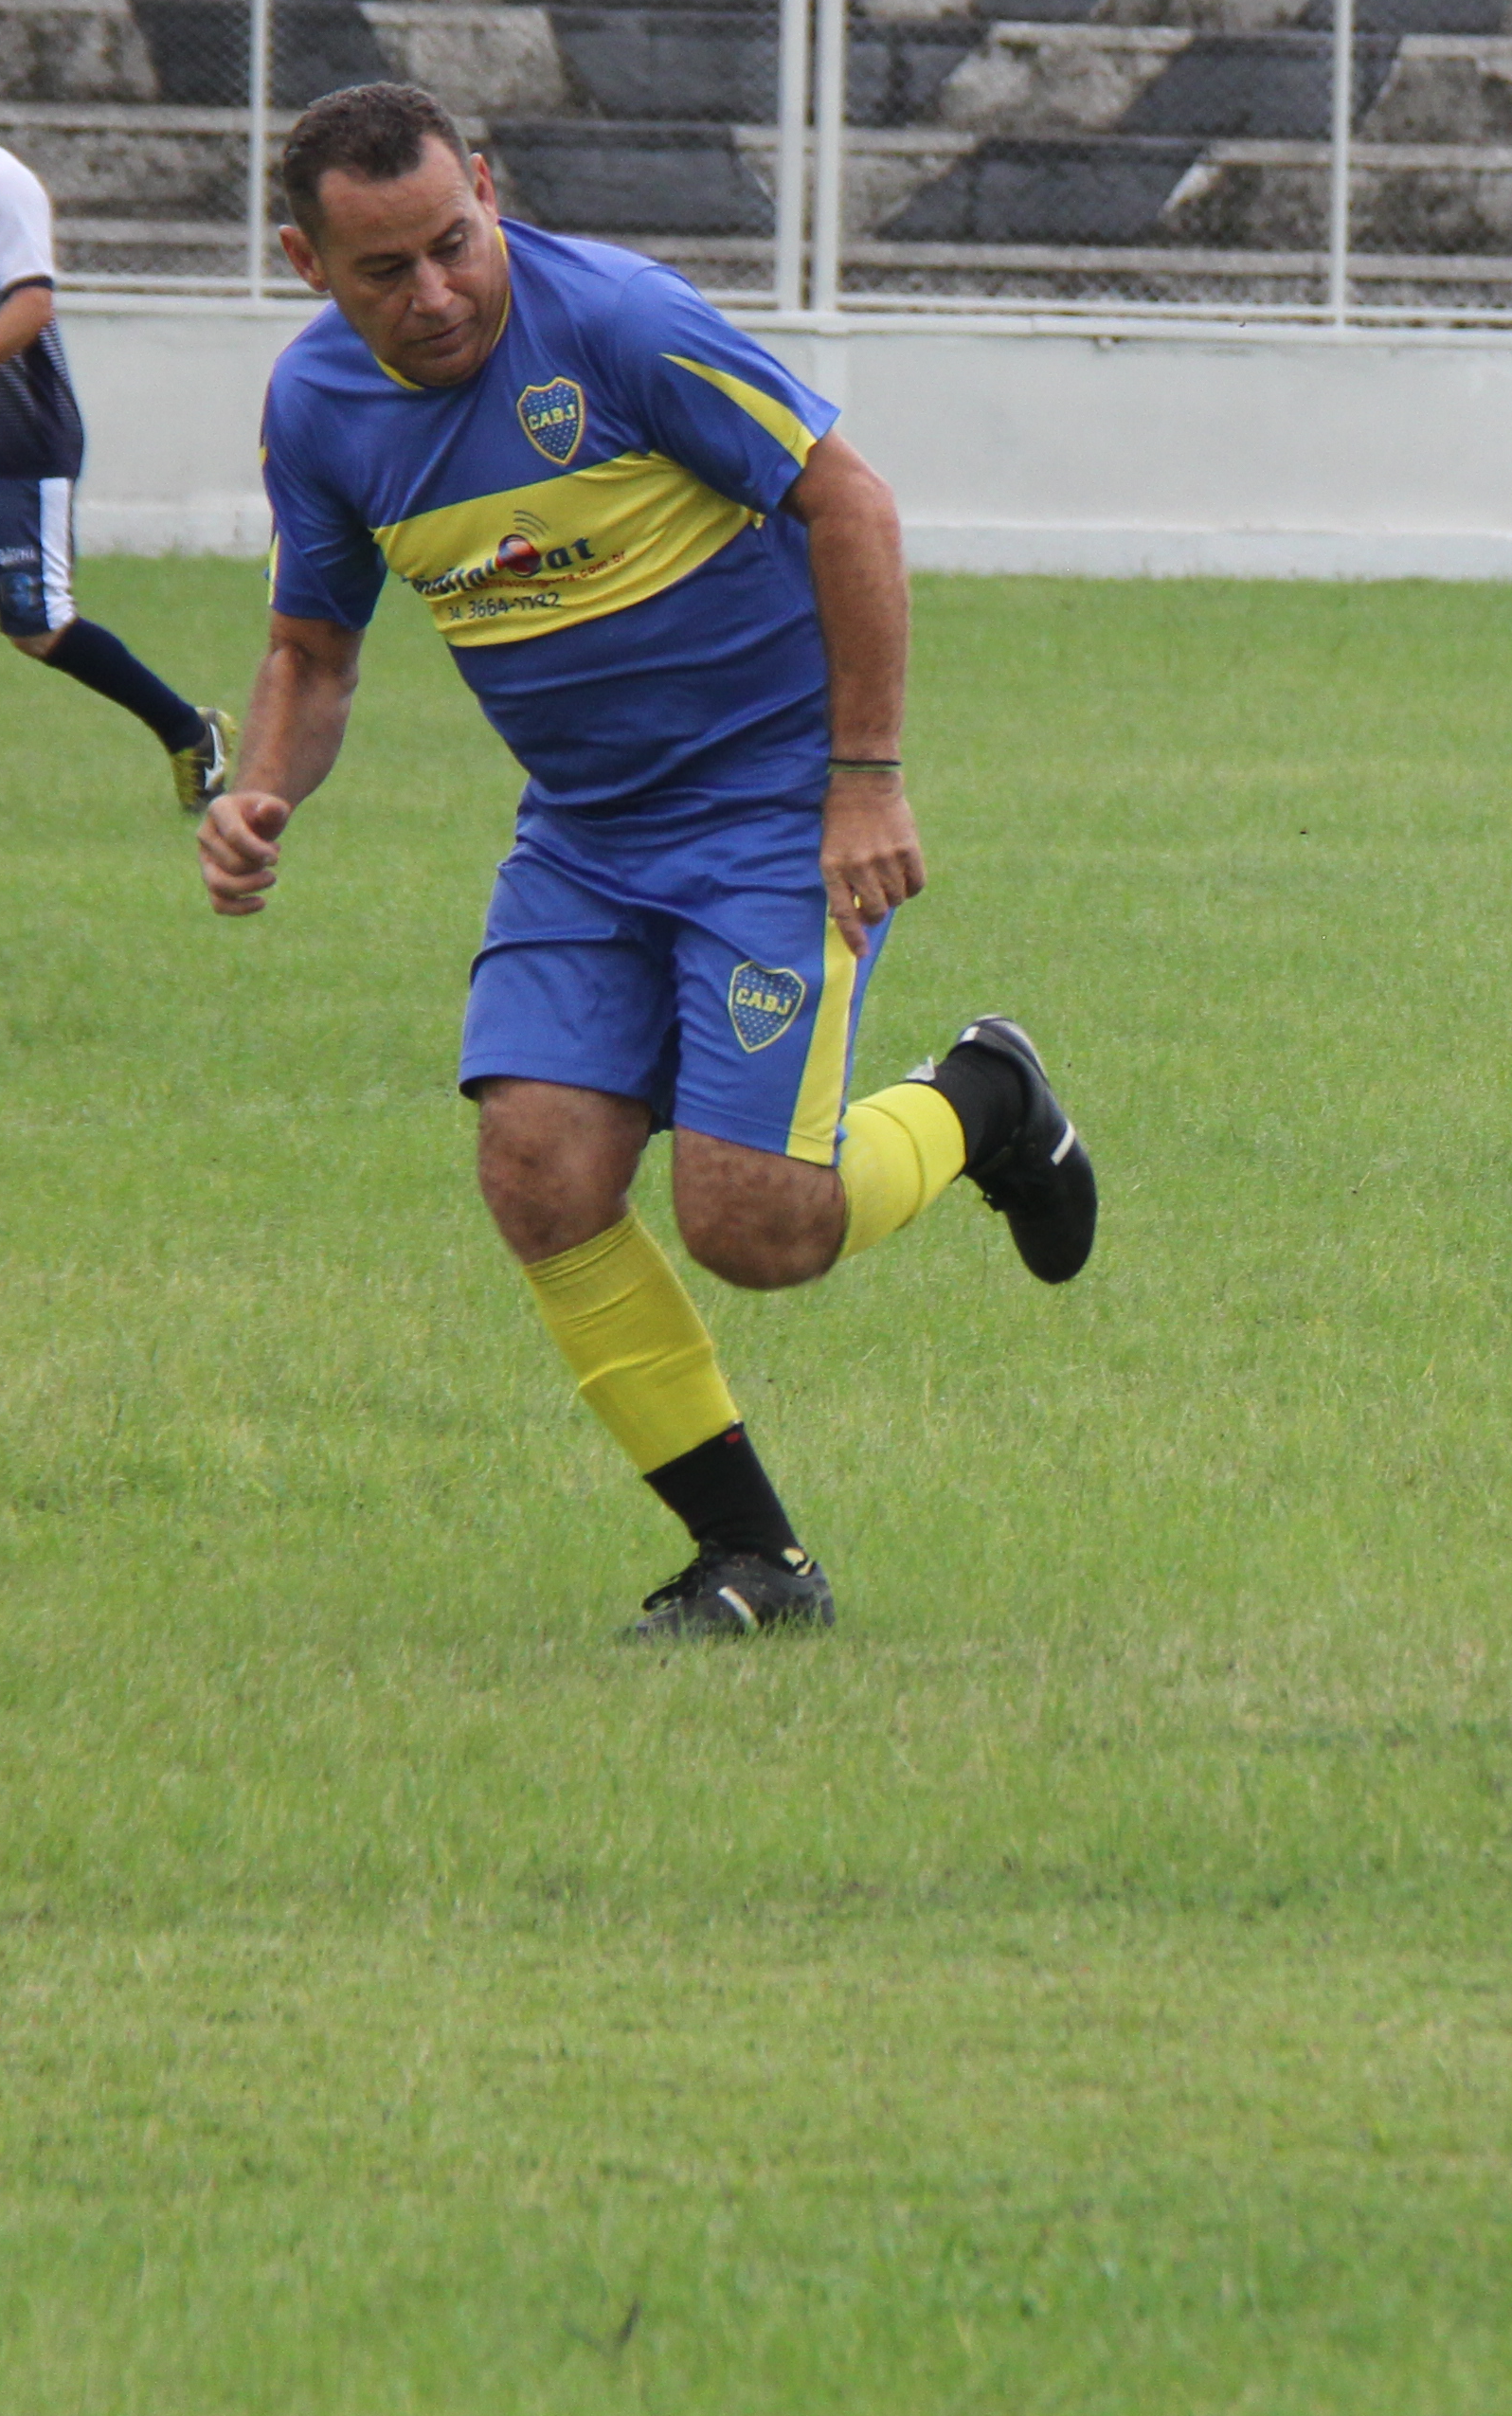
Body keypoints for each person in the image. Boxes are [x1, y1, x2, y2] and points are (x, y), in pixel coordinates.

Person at [194, 81, 1095, 1641]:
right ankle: (755, 1562)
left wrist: (864, 779)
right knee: (537, 1174)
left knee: (754, 1227)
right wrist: (263, 788)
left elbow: (848, 499)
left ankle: (984, 1104)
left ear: (486, 186)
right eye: (382, 273)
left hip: (764, 809)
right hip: (585, 834)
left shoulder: (620, 321)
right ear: (303, 265)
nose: (434, 294)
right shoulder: (316, 413)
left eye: (453, 244)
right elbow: (313, 650)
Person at [0, 28, 230, 811]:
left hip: (20, 442)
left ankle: (188, 731)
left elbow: (32, 304)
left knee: (37, 629)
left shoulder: (2, 186)